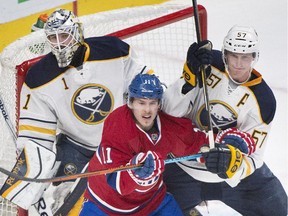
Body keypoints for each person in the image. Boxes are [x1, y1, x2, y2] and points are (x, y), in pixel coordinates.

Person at [0, 8, 152, 215]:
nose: (60, 44)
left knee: (139, 195)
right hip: (76, 145)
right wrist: (30, 168)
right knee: (57, 203)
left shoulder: (114, 51)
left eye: (64, 35)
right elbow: (36, 135)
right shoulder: (39, 78)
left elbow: (146, 89)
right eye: (53, 38)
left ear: (77, 34)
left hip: (121, 142)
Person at [79, 73, 254, 216]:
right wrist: (136, 172)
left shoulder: (169, 126)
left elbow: (197, 143)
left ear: (159, 104)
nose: (147, 110)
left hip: (152, 203)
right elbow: (117, 182)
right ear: (131, 102)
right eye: (141, 103)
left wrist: (227, 144)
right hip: (105, 205)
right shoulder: (117, 124)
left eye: (152, 103)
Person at [162, 25, 288, 216]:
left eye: (245, 57)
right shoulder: (206, 65)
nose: (238, 63)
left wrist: (231, 164)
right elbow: (169, 111)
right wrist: (188, 79)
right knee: (147, 206)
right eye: (233, 55)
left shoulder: (263, 100)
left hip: (234, 179)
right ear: (224, 54)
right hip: (184, 165)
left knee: (278, 210)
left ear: (254, 57)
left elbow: (254, 158)